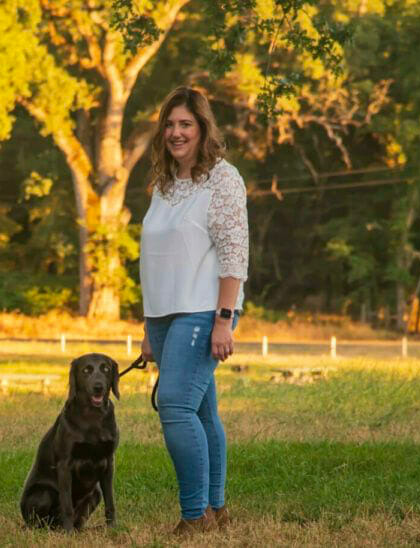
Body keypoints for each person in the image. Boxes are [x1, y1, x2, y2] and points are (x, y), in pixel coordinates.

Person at [139, 86, 249, 536]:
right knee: (202, 412)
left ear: (204, 129)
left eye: (185, 124)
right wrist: (147, 327)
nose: (175, 132)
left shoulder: (223, 179)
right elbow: (154, 260)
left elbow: (234, 252)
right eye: (169, 124)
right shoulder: (164, 184)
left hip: (204, 310)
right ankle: (217, 509)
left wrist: (224, 319)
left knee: (174, 406)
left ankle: (195, 515)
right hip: (164, 315)